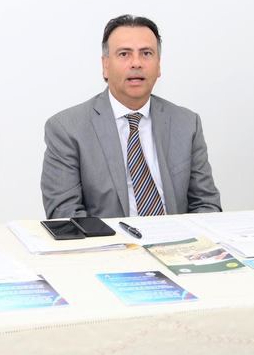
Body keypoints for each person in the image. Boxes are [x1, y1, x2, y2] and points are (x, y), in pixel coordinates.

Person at [41, 14, 221, 219]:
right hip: (108, 246)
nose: (136, 63)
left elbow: (206, 204)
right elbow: (65, 214)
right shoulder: (67, 128)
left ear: (159, 65)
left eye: (146, 53)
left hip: (178, 245)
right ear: (105, 65)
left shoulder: (187, 124)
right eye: (124, 54)